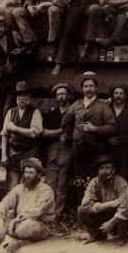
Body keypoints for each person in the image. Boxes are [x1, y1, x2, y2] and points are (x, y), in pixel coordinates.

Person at [0, 158, 55, 253]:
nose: (27, 176)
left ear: (39, 174)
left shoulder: (46, 190)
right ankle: (8, 239)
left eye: (31, 173)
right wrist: (1, 225)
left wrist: (15, 221)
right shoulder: (19, 188)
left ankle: (3, 237)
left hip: (38, 224)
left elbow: (36, 212)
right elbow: (3, 204)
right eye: (26, 172)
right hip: (16, 224)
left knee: (27, 226)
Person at [61, 71, 116, 179]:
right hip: (78, 147)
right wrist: (75, 134)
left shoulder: (103, 106)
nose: (88, 89)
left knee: (94, 175)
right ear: (82, 89)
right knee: (79, 174)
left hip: (96, 147)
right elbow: (65, 123)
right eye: (85, 86)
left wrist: (95, 129)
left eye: (91, 86)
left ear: (96, 88)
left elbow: (112, 127)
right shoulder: (76, 105)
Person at [78, 154, 128, 246]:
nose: (105, 171)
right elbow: (85, 204)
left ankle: (122, 236)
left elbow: (127, 204)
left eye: (108, 168)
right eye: (102, 168)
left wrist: (111, 223)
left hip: (117, 217)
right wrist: (110, 204)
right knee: (81, 210)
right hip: (103, 214)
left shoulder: (120, 182)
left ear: (113, 170)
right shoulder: (94, 182)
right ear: (98, 171)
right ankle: (98, 235)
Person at [1, 81, 43, 190]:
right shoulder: (11, 112)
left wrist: (14, 128)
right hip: (13, 155)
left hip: (29, 154)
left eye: (25, 96)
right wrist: (4, 155)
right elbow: (5, 135)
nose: (22, 99)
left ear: (29, 97)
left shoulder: (35, 112)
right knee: (12, 188)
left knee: (29, 186)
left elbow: (34, 133)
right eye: (19, 96)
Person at [42, 82, 74, 222]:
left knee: (62, 186)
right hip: (52, 150)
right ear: (55, 97)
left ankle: (57, 215)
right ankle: (47, 214)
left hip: (67, 150)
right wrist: (61, 131)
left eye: (63, 94)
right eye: (58, 94)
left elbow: (76, 131)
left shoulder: (73, 113)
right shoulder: (52, 114)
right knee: (49, 185)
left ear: (69, 96)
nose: (61, 97)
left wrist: (66, 135)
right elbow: (44, 133)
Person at [107, 83, 128, 183]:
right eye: (116, 93)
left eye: (121, 93)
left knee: (124, 176)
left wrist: (124, 140)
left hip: (125, 149)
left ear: (126, 95)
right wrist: (107, 139)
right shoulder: (107, 108)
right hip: (108, 148)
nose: (118, 96)